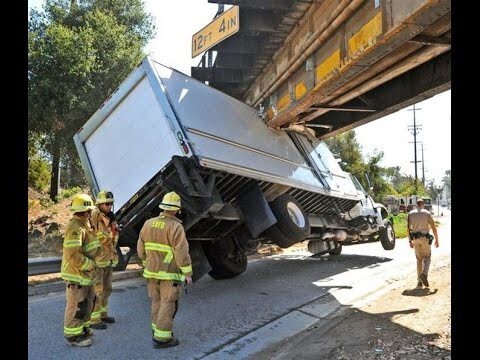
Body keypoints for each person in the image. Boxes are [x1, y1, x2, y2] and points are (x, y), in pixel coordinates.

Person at [137, 191, 193, 349]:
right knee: (168, 304)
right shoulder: (176, 226)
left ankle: (156, 331)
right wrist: (187, 273)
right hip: (169, 273)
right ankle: (162, 339)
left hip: (151, 273)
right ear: (176, 210)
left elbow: (140, 249)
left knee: (156, 301)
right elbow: (182, 253)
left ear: (162, 207)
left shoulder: (148, 223)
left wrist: (146, 261)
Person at [61, 193, 100, 347]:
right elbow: (72, 254)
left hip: (84, 274)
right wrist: (88, 265)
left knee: (87, 302)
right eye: (89, 210)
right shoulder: (75, 226)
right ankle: (73, 336)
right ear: (84, 211)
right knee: (77, 305)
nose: (91, 213)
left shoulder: (84, 225)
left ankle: (83, 328)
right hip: (77, 274)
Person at [90, 190, 119, 329]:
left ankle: (103, 314)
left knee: (107, 289)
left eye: (111, 204)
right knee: (97, 290)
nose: (109, 207)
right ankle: (94, 320)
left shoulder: (110, 217)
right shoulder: (94, 216)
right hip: (98, 260)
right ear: (99, 204)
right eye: (107, 204)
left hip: (108, 259)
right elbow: (97, 237)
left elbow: (114, 239)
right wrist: (111, 234)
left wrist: (115, 231)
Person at [407, 197, 439, 288]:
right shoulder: (427, 213)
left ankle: (419, 281)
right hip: (425, 239)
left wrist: (410, 240)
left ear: (416, 204)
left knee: (419, 260)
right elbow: (433, 227)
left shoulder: (411, 214)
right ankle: (424, 274)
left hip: (415, 239)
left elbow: (408, 229)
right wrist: (437, 239)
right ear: (423, 204)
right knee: (427, 258)